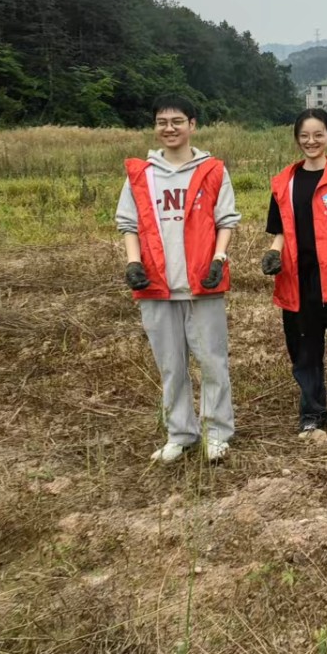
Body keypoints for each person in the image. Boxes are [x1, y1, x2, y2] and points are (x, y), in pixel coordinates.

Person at [115, 94, 240, 464]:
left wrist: (219, 257)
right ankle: (180, 432)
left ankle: (217, 432)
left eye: (177, 121)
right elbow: (129, 224)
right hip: (156, 284)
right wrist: (133, 263)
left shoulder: (213, 170)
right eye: (162, 122)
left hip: (202, 282)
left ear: (192, 125)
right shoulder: (142, 175)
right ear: (155, 126)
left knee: (212, 361)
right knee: (171, 364)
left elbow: (226, 221)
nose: (169, 128)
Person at [262, 109, 327, 442]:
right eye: (305, 136)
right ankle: (311, 412)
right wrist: (273, 252)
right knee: (305, 350)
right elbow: (278, 230)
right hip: (300, 278)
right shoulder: (283, 182)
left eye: (319, 135)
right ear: (297, 139)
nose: (312, 142)